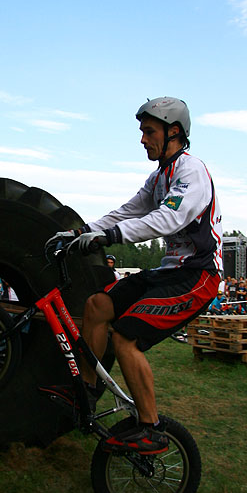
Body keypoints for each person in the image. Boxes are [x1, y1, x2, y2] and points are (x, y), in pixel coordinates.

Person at [49, 96, 222, 454]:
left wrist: (110, 237)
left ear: (174, 132)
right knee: (97, 305)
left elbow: (168, 218)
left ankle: (151, 427)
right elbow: (127, 212)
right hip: (170, 270)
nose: (143, 139)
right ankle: (88, 391)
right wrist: (83, 231)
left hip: (198, 276)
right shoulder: (159, 177)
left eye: (149, 132)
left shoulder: (191, 171)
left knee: (126, 338)